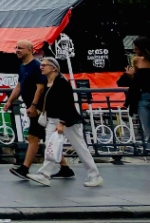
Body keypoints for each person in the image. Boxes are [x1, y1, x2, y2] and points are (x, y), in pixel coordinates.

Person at [5, 39, 71, 181]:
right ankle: (65, 168)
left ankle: (25, 168)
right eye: (16, 47)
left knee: (33, 137)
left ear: (30, 50)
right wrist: (10, 101)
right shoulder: (22, 67)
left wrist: (34, 106)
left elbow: (40, 88)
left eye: (20, 48)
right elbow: (19, 85)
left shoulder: (36, 66)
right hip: (33, 108)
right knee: (49, 138)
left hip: (40, 109)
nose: (17, 50)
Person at [33, 56, 102, 187]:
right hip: (52, 119)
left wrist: (62, 123)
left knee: (79, 147)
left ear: (53, 68)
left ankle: (94, 175)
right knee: (50, 147)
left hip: (67, 120)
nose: (41, 67)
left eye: (44, 65)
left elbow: (67, 104)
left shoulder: (61, 83)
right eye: (41, 65)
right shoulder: (47, 82)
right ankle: (44, 174)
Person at [117, 36, 150, 150]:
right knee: (146, 125)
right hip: (142, 96)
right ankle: (148, 148)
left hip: (145, 94)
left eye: (136, 48)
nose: (134, 51)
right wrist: (131, 76)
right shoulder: (136, 60)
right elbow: (137, 80)